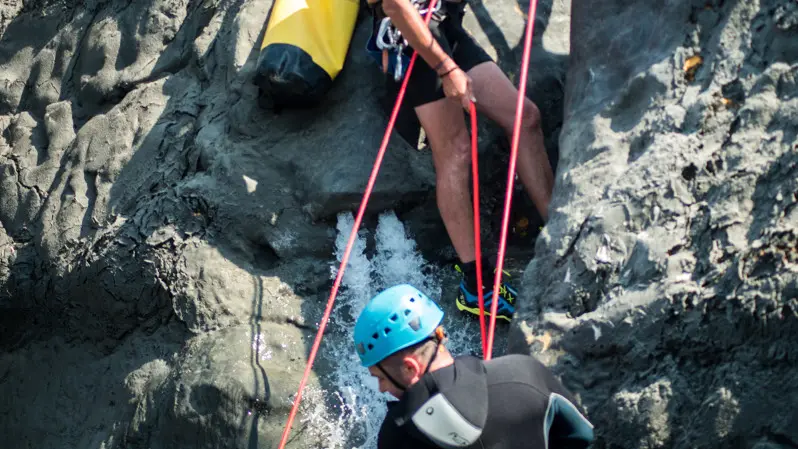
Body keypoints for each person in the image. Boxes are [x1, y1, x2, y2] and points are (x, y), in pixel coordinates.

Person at [365, 0, 555, 323]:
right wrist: (446, 68)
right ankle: (476, 286)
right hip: (411, 37)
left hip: (444, 24)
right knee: (454, 150)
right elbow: (394, 5)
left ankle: (562, 237)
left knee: (526, 119)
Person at [353, 284, 595, 449]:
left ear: (410, 368)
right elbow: (585, 437)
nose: (382, 388)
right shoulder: (523, 374)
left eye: (380, 378)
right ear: (439, 334)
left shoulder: (398, 433)